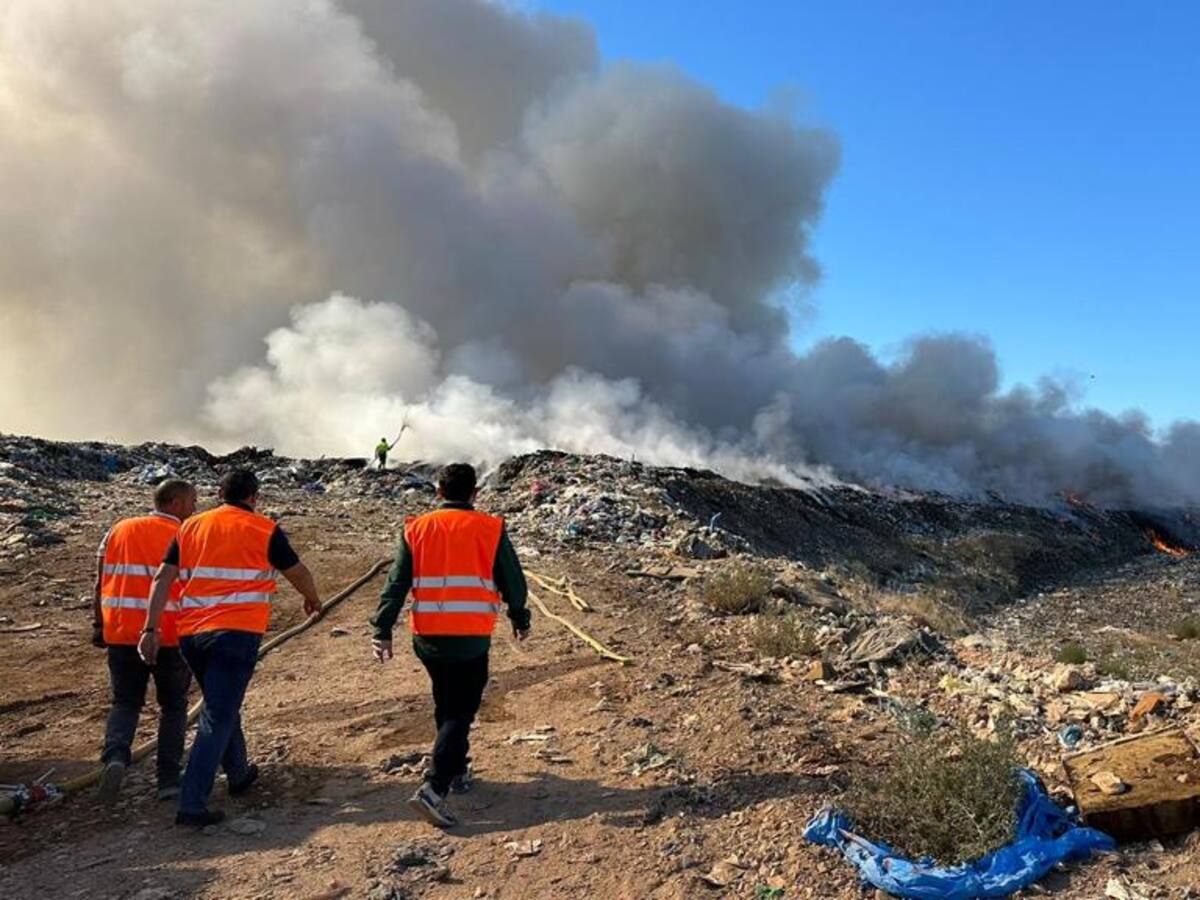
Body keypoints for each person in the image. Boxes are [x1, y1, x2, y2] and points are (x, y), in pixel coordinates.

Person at [139, 468, 321, 828]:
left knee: (221, 704)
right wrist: (313, 599)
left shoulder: (189, 526)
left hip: (191, 634)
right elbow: (297, 572)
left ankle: (238, 773)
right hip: (236, 634)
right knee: (218, 714)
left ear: (220, 494)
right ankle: (192, 803)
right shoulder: (263, 528)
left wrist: (150, 627)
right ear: (254, 497)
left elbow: (162, 578)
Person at [370, 462, 530, 828]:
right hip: (470, 638)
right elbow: (513, 580)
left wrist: (382, 628)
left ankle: (457, 771)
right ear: (475, 493)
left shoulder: (417, 528)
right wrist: (520, 618)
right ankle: (434, 787)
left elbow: (396, 584)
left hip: (427, 637)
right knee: (461, 710)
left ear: (438, 492)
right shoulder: (490, 528)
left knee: (447, 700)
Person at [93, 478, 197, 803]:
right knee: (174, 706)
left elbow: (100, 580)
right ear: (175, 503)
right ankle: (167, 779)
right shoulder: (185, 535)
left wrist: (99, 624)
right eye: (192, 501)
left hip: (121, 631)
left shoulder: (118, 530)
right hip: (169, 634)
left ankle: (115, 758)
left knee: (125, 702)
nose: (196, 508)